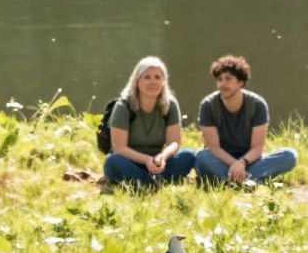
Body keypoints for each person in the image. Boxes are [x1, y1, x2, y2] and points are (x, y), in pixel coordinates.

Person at [194, 54, 298, 187]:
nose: (223, 84)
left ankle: (234, 181)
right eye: (219, 79)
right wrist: (234, 164)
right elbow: (213, 147)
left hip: (249, 160)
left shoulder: (257, 104)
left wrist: (242, 163)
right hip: (221, 159)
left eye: (228, 79)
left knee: (289, 155)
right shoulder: (208, 105)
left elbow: (257, 147)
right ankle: (248, 181)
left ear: (241, 82)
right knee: (202, 157)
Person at [103, 56, 197, 187]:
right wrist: (146, 160)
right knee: (113, 161)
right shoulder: (123, 106)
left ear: (164, 81)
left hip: (158, 162)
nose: (153, 82)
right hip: (130, 161)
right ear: (137, 81)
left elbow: (175, 142)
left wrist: (162, 157)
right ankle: (153, 182)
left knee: (189, 155)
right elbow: (119, 148)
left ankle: (146, 182)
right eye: (147, 77)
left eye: (158, 77)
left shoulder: (170, 104)